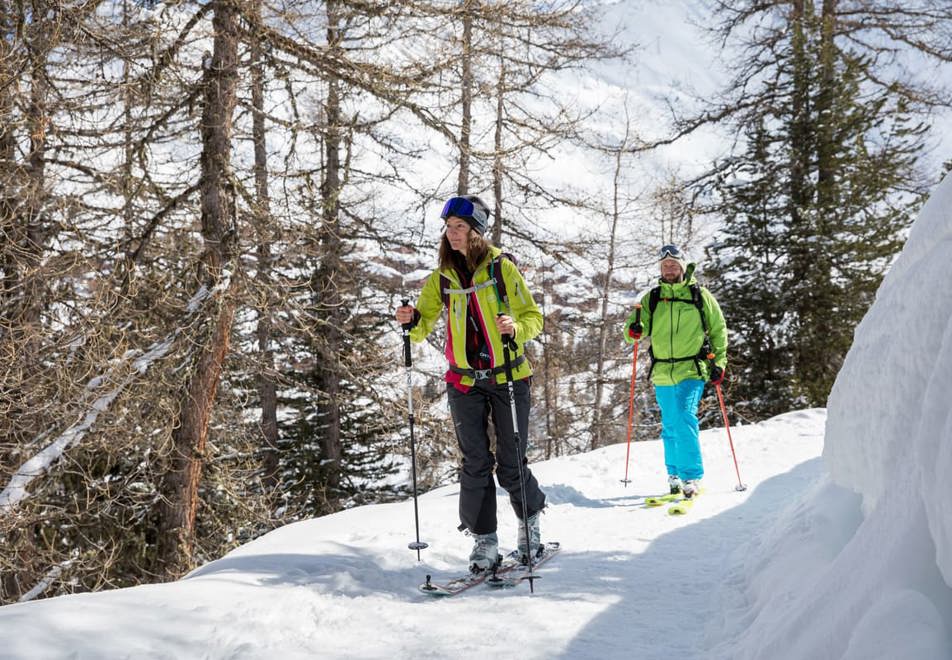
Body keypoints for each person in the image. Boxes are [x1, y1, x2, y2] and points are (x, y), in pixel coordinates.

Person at [395, 195, 546, 571]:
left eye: (459, 228)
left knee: (511, 462)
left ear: (476, 231)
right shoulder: (441, 278)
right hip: (463, 383)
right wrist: (409, 320)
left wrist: (517, 327)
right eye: (448, 229)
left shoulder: (502, 270)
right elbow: (422, 324)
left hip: (509, 376)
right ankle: (484, 542)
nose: (452, 234)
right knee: (475, 464)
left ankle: (530, 528)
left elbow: (533, 317)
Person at [623, 244, 727, 499]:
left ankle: (691, 475)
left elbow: (718, 329)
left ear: (682, 267)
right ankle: (674, 474)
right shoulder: (653, 297)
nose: (669, 269)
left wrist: (720, 362)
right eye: (665, 265)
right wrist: (633, 330)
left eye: (673, 265)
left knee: (684, 417)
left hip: (692, 369)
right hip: (662, 371)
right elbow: (633, 332)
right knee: (669, 424)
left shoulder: (700, 295)